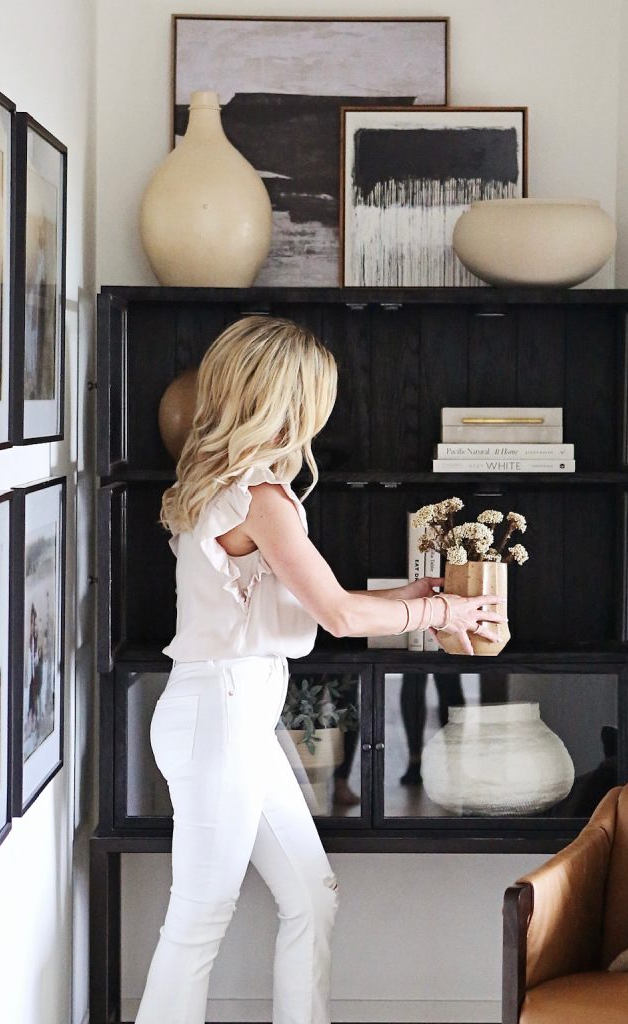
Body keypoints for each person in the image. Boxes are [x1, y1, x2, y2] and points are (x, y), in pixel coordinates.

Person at [134, 316, 504, 1024]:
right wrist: (440, 618)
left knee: (310, 892)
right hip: (222, 712)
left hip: (230, 711)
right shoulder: (262, 498)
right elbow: (335, 614)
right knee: (199, 918)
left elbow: (302, 600)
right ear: (289, 403)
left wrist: (407, 598)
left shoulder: (220, 483)